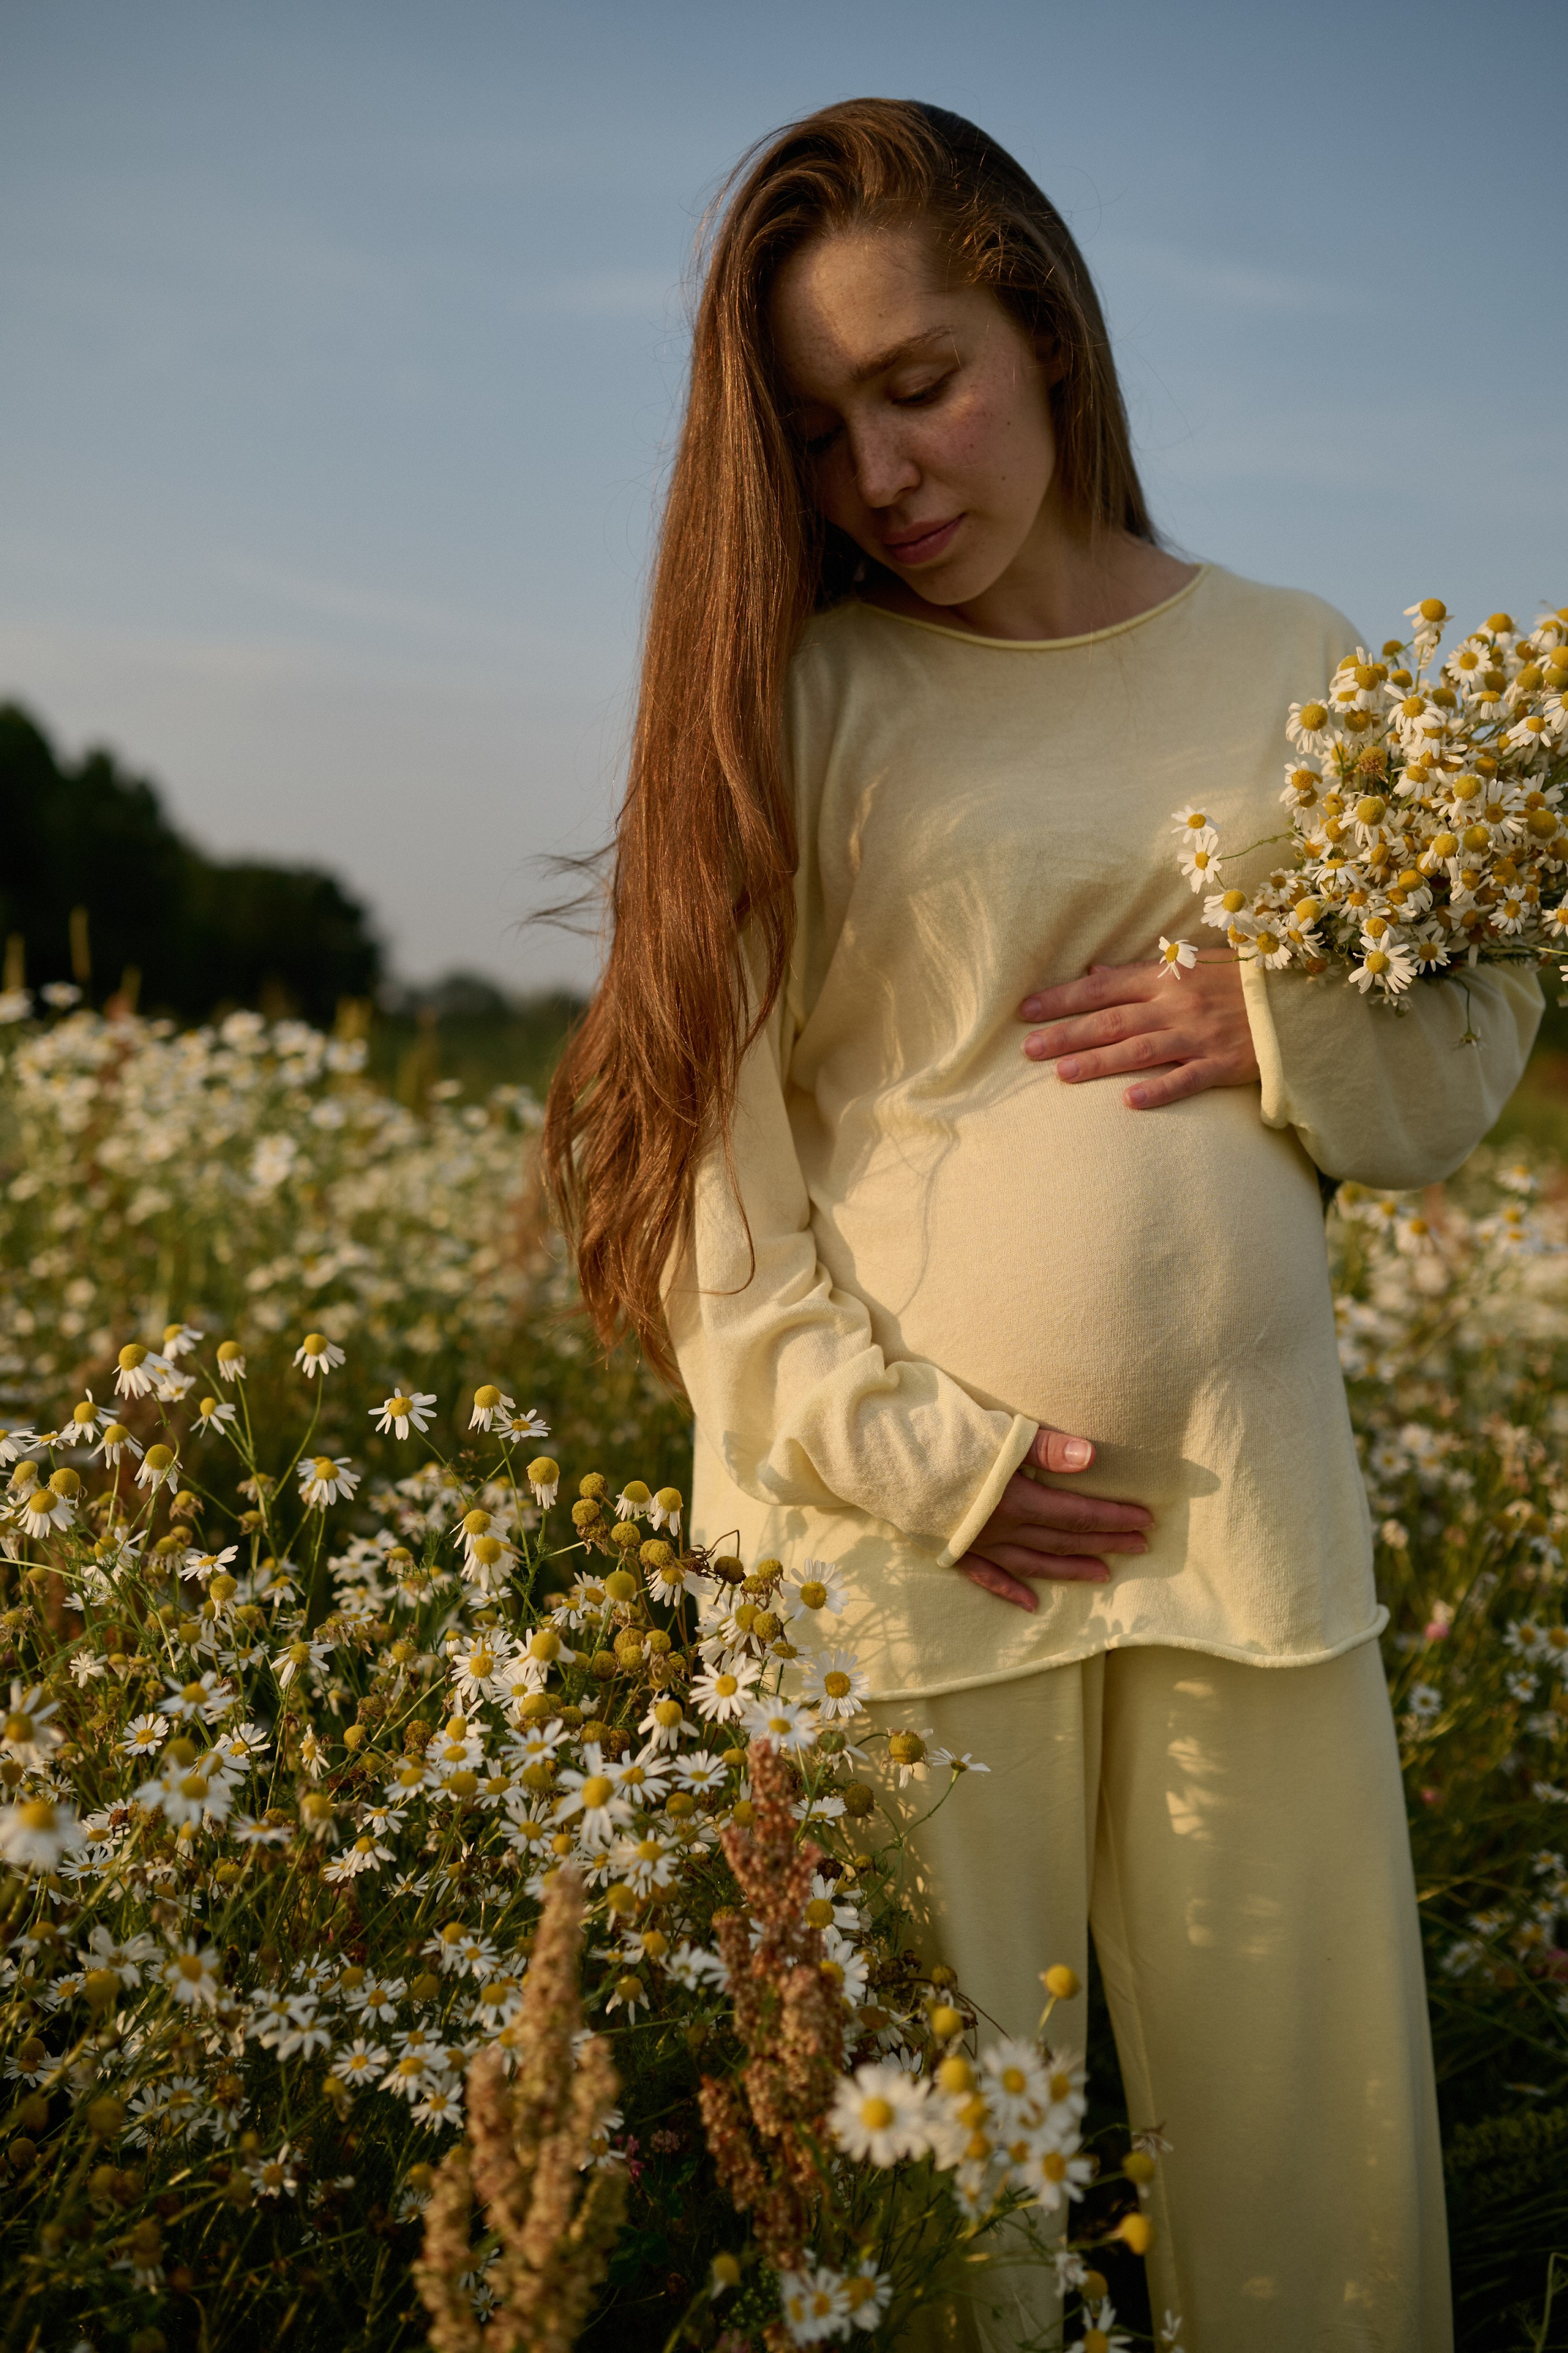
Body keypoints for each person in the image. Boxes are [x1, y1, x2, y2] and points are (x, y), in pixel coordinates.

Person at [544, 98, 1539, 2352]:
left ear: (1049, 331)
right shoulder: (796, 694)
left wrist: (1273, 1016)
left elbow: (1469, 1051)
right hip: (905, 1553)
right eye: (818, 431)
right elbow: (711, 1171)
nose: (885, 473)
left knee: (1313, 2187)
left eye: (924, 383)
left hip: (1247, 1540)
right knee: (936, 2225)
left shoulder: (1300, 657)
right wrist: (938, 1464)